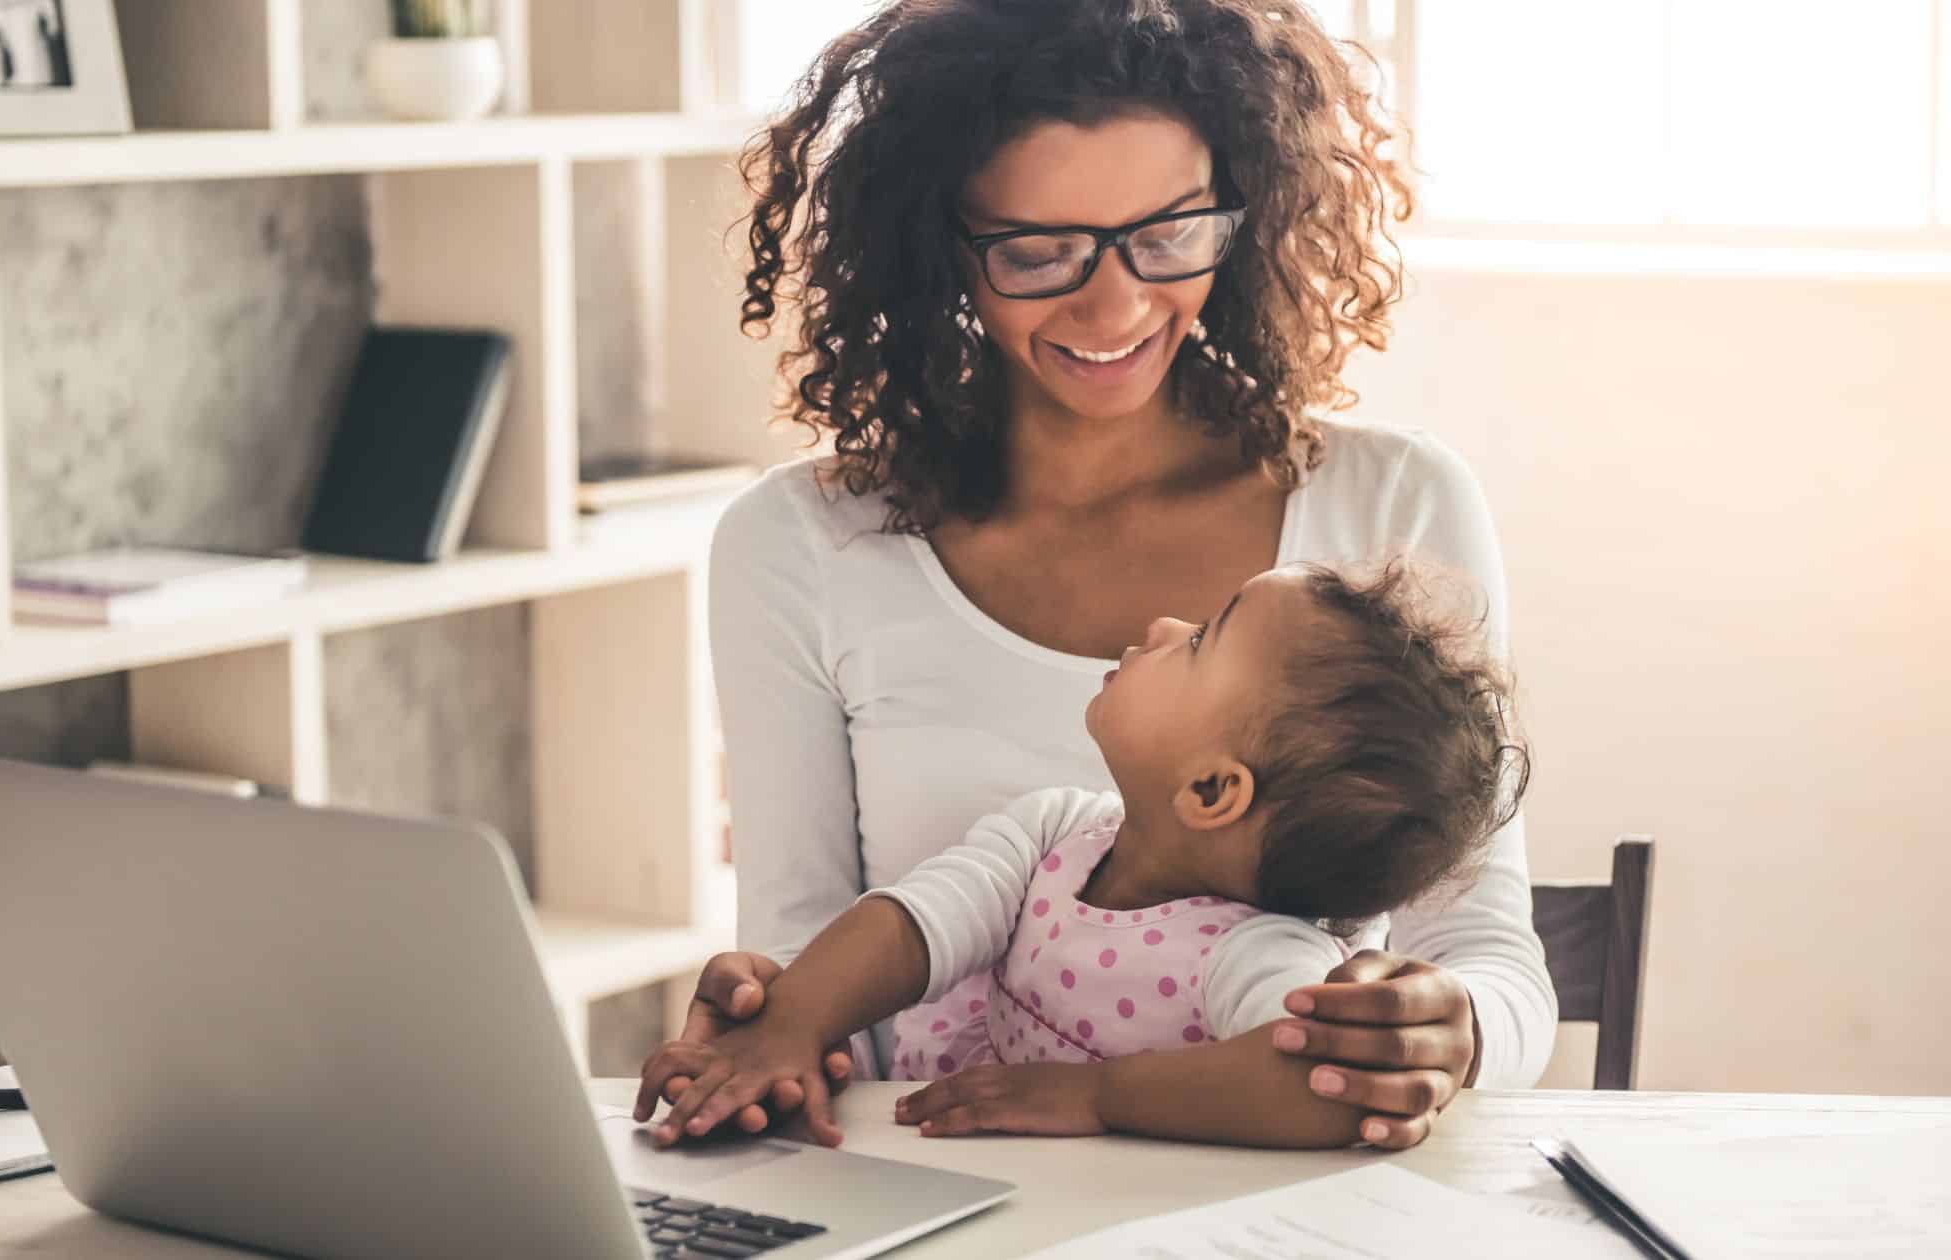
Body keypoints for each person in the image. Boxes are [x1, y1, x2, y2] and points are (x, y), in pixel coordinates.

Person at [671, 0, 1556, 1152]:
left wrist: (1449, 1032)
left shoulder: (1393, 503)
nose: (1115, 305)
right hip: (936, 1184)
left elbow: (1486, 955)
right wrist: (770, 1018)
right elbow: (808, 954)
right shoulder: (796, 545)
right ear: (939, 245)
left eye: (1168, 234)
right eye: (1037, 251)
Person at [639, 560, 1527, 1148]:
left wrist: (1100, 1097)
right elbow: (915, 925)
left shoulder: (1256, 952)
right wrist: (790, 1022)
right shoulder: (1053, 834)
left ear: (1213, 792)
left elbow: (1322, 1083)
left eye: (1201, 641)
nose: (1166, 620)